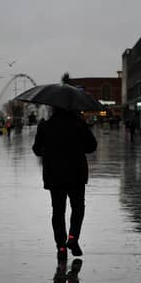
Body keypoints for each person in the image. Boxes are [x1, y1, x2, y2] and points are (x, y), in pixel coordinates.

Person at [33, 107, 97, 261]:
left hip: (54, 175)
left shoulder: (45, 126)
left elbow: (37, 150)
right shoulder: (79, 124)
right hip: (76, 174)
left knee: (58, 210)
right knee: (78, 206)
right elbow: (91, 147)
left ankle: (61, 246)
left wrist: (50, 150)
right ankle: (73, 237)